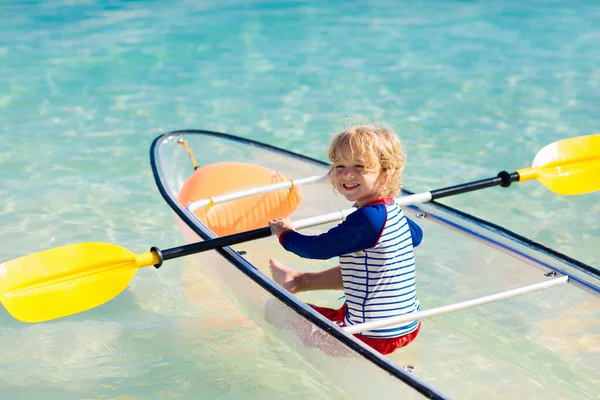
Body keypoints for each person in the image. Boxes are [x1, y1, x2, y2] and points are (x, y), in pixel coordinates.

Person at [268, 125, 423, 355]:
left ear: (386, 171)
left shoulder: (369, 218)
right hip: (409, 325)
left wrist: (285, 234)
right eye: (339, 166)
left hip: (370, 337)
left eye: (359, 166)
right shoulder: (391, 211)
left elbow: (317, 249)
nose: (346, 174)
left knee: (275, 309)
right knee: (362, 263)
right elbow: (416, 236)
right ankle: (298, 280)